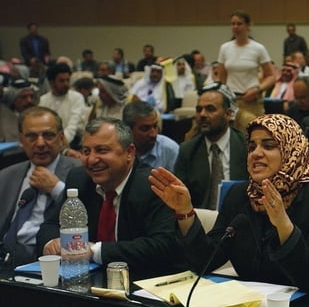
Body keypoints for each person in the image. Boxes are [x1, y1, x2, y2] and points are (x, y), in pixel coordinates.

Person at [150, 113, 309, 307]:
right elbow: (205, 259)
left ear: (292, 150)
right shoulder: (239, 195)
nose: (256, 153)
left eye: (269, 146)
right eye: (251, 146)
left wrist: (283, 225)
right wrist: (185, 211)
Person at [38, 118, 182, 278]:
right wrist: (53, 243)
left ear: (129, 152)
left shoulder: (153, 185)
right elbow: (50, 225)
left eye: (101, 150)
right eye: (86, 151)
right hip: (88, 280)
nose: (91, 160)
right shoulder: (79, 178)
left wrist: (95, 251)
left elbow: (162, 246)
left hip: (141, 281)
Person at [0, 107, 80, 265]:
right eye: (32, 136)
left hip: (52, 258)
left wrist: (57, 188)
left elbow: (86, 214)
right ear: (21, 140)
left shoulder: (79, 172)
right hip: (6, 256)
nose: (40, 143)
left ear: (61, 138)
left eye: (48, 135)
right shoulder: (6, 175)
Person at [174, 86, 248, 209]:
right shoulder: (187, 150)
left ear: (228, 114)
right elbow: (179, 196)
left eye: (210, 109)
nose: (202, 114)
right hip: (200, 216)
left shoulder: (246, 146)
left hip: (240, 215)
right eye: (199, 109)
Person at [217, 10, 275, 130]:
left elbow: (271, 76)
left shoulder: (258, 48)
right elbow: (221, 78)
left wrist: (258, 90)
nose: (235, 27)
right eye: (233, 24)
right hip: (231, 99)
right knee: (232, 132)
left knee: (253, 132)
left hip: (252, 100)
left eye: (239, 24)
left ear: (248, 25)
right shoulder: (225, 48)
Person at [39, 62, 87, 149]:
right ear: (51, 82)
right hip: (49, 143)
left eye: (67, 80)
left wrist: (58, 145)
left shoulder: (76, 98)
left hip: (73, 143)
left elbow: (73, 127)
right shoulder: (43, 100)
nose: (66, 84)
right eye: (61, 81)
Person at [122, 100, 180, 171]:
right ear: (128, 129)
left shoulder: (170, 150)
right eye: (145, 129)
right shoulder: (118, 149)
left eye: (155, 126)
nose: (153, 134)